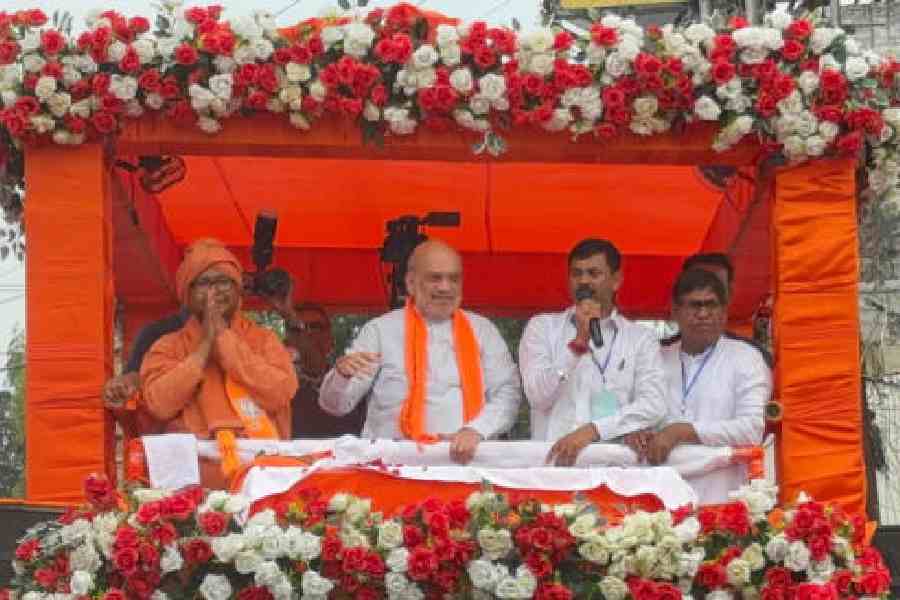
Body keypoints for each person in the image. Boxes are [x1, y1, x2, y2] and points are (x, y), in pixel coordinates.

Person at [318, 240, 521, 464]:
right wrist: (341, 376)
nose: (445, 287)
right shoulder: (380, 331)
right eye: (435, 278)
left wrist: (477, 430)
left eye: (454, 278)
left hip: (465, 468)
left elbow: (508, 393)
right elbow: (335, 406)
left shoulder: (483, 331)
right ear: (411, 283)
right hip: (394, 468)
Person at [140, 239, 298, 486]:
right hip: (191, 478)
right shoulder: (167, 346)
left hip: (259, 472)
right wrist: (204, 348)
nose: (215, 291)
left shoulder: (263, 340)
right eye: (204, 283)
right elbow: (159, 404)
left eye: (223, 281)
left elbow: (280, 392)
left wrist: (224, 340)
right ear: (187, 295)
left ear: (237, 290)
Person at [519, 238, 667, 465]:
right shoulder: (542, 327)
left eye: (593, 273)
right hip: (553, 466)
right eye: (576, 273)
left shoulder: (640, 338)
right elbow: (537, 396)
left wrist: (594, 430)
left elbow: (654, 404)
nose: (584, 281)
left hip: (613, 469)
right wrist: (577, 345)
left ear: (616, 280)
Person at [649, 268, 770, 504]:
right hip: (659, 493)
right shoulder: (654, 358)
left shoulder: (746, 358)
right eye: (694, 305)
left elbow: (751, 429)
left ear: (724, 312)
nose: (703, 313)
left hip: (721, 494)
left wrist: (682, 431)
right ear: (675, 311)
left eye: (711, 305)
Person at [264, 279, 364, 438]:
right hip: (293, 460)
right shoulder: (276, 381)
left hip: (346, 460)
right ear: (287, 340)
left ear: (331, 339)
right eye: (297, 329)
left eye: (315, 327)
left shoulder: (351, 378)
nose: (307, 334)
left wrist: (291, 318)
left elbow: (315, 364)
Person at [666, 252, 773, 368]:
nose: (705, 294)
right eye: (697, 284)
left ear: (729, 294)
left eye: (717, 287)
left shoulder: (756, 357)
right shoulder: (656, 356)